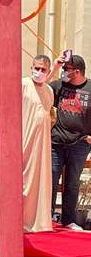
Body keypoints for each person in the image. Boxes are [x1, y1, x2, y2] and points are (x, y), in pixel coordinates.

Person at [48, 54, 91, 230]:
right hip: (56, 141)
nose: (64, 72)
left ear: (77, 71)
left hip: (80, 143)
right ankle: (47, 217)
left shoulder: (90, 88)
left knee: (72, 182)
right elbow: (40, 87)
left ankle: (69, 220)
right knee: (51, 179)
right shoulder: (59, 85)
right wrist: (55, 67)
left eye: (67, 69)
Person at [21, 55, 54, 233]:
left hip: (42, 145)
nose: (39, 72)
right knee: (24, 181)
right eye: (36, 68)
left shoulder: (49, 90)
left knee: (41, 181)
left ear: (48, 72)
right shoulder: (23, 84)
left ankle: (39, 222)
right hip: (24, 142)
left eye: (43, 69)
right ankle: (21, 221)